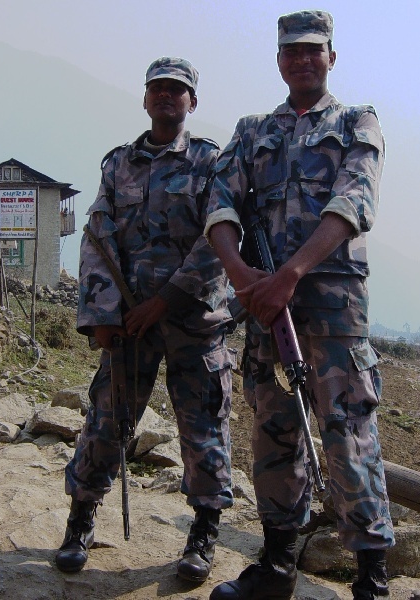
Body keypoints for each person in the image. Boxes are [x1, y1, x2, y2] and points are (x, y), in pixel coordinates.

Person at [204, 10, 394, 600]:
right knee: (274, 433)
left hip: (334, 314)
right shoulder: (254, 129)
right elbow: (219, 200)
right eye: (292, 51)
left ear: (331, 57)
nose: (303, 59)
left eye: (314, 50)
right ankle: (278, 567)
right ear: (279, 60)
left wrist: (290, 274)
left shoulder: (359, 121)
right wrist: (241, 275)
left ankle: (371, 579)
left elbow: (354, 200)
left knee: (348, 435)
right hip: (265, 310)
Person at [55, 56, 236, 584]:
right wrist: (102, 315)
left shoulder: (211, 163)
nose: (165, 97)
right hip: (128, 321)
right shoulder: (117, 164)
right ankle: (80, 519)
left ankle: (203, 532)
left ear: (191, 103)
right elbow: (97, 238)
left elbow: (219, 237)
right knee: (107, 420)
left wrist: (169, 299)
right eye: (157, 88)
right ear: (144, 98)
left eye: (176, 90)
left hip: (192, 320)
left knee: (203, 427)